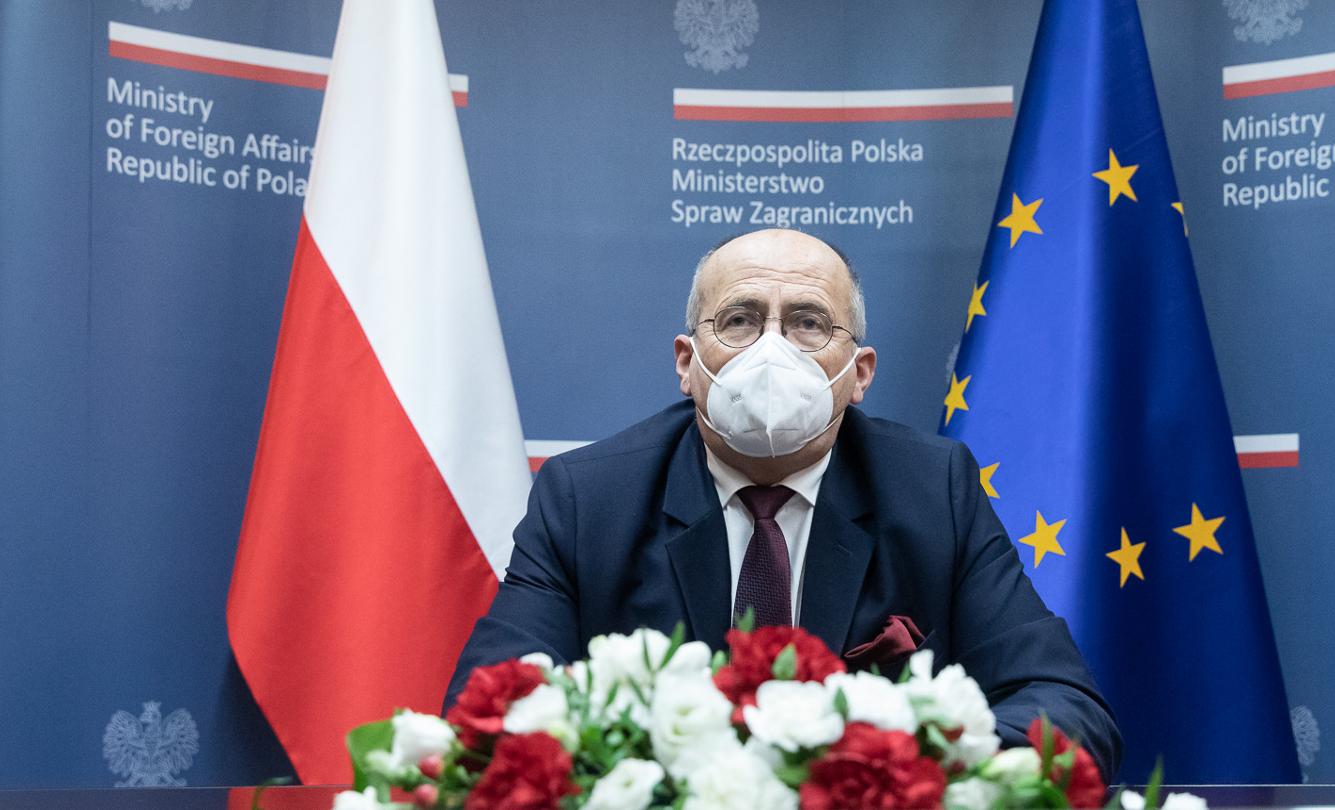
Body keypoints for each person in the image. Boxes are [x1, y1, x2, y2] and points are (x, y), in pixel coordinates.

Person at [446, 228, 1120, 773]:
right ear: (687, 361)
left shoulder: (933, 490)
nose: (771, 349)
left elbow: (1065, 710)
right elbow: (486, 715)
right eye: (739, 320)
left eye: (807, 323)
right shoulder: (587, 500)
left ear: (859, 375)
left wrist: (894, 772)